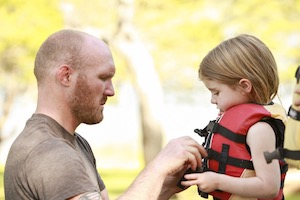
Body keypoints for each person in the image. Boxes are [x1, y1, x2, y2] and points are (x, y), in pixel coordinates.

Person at [4, 29, 207, 200]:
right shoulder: (49, 152)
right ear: (66, 76)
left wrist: (164, 186)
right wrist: (158, 168)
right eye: (103, 78)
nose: (111, 91)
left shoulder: (74, 143)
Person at [180, 34, 288, 199]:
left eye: (216, 92)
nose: (212, 100)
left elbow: (269, 187)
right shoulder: (246, 126)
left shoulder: (260, 130)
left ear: (244, 86)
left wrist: (217, 182)